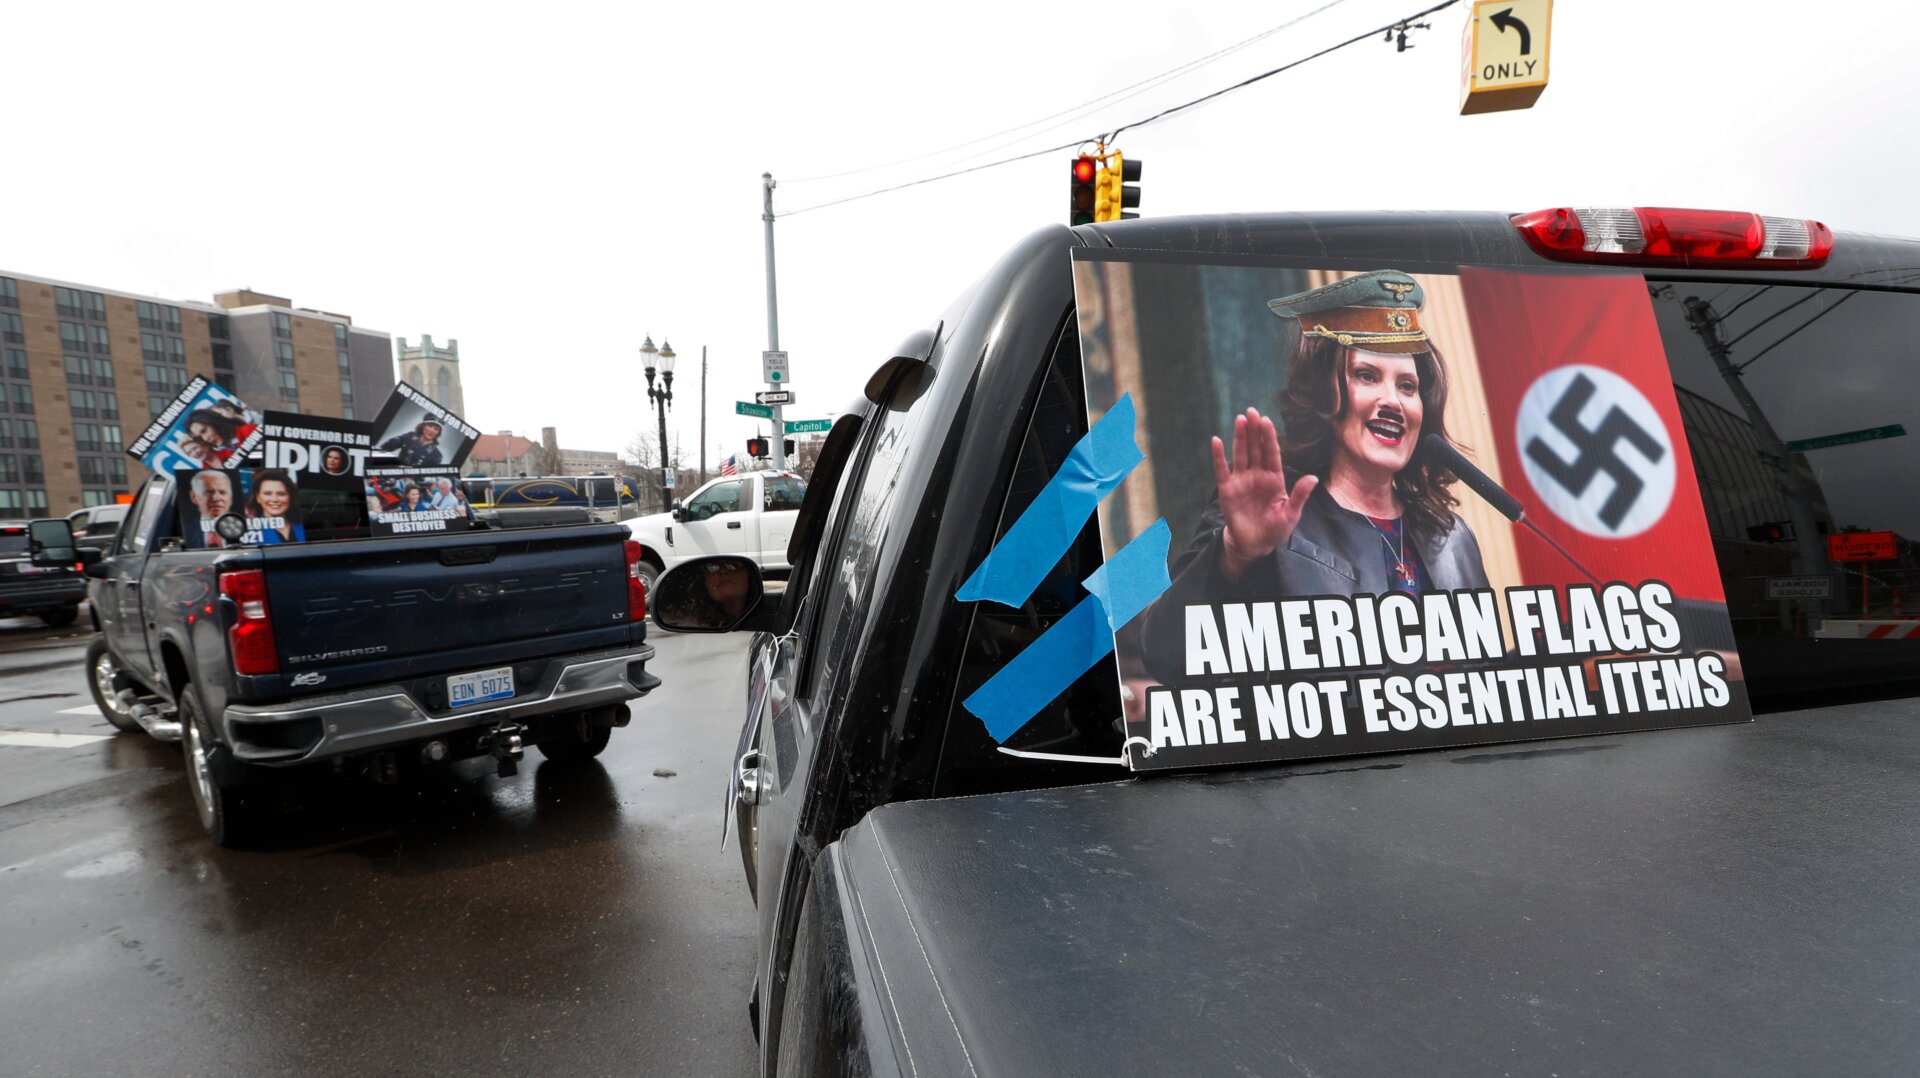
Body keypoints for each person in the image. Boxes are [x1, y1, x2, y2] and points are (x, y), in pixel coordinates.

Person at [1141, 270, 1490, 680]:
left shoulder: (1452, 537)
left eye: (1408, 386)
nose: (1392, 401)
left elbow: (1485, 680)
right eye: (1367, 376)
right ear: (1325, 395)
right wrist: (1235, 554)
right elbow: (1167, 655)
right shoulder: (1272, 515)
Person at [660, 558, 756, 629]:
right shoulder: (691, 624)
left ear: (749, 576)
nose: (723, 571)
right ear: (703, 582)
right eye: (712, 567)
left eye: (734, 565)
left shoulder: (767, 617)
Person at [244, 469, 305, 544]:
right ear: (258, 498)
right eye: (267, 493)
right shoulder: (250, 532)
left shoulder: (303, 526)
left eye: (281, 494)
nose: (274, 499)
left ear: (290, 497)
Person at [184, 469, 236, 549]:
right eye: (209, 492)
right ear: (194, 497)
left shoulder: (247, 530)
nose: (216, 498)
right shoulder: (187, 533)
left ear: (231, 498)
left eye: (222, 492)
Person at [381, 419, 446, 466]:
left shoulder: (437, 456)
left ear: (438, 433)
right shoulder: (409, 436)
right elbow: (388, 446)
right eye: (430, 426)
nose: (432, 430)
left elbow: (428, 478)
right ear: (423, 426)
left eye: (436, 429)